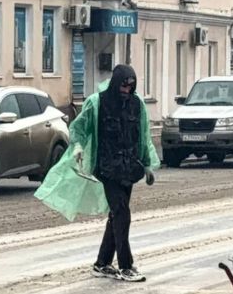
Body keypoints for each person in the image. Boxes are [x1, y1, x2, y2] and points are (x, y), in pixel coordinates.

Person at [34, 64, 160, 282]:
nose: (126, 90)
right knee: (122, 213)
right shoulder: (97, 102)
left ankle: (102, 263)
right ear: (115, 83)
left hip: (130, 168)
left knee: (116, 215)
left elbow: (143, 135)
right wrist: (78, 146)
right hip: (106, 167)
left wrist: (148, 164)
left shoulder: (137, 104)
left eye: (130, 86)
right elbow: (80, 128)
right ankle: (126, 266)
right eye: (123, 85)